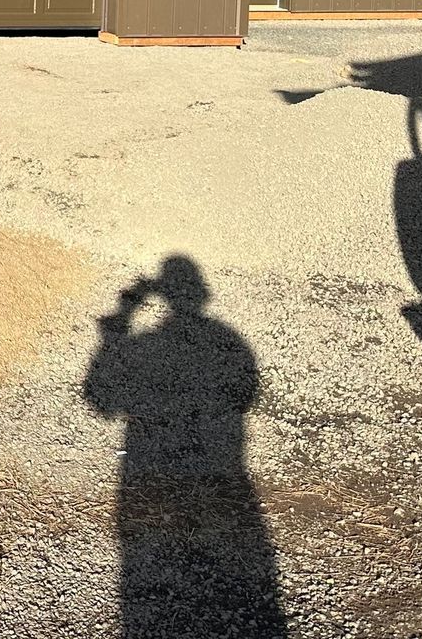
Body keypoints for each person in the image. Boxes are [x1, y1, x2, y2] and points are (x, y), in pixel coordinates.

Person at [84, 255, 287, 637]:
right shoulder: (228, 339)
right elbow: (245, 393)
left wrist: (118, 325)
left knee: (153, 569)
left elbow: (100, 400)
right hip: (220, 465)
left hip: (150, 472)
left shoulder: (148, 344)